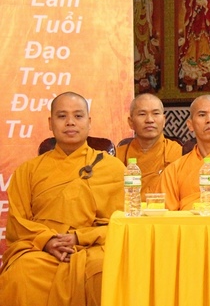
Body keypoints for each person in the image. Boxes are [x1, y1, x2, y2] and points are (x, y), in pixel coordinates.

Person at [0, 92, 124, 306]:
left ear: (89, 122)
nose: (70, 122)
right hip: (42, 250)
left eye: (78, 116)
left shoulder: (113, 168)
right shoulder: (28, 170)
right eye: (62, 116)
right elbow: (18, 222)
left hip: (93, 248)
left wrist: (80, 237)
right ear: (50, 123)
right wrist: (47, 241)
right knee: (20, 274)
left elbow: (123, 222)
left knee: (103, 272)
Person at [116, 93, 182, 198]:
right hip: (131, 207)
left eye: (156, 113)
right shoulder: (119, 156)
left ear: (164, 120)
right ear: (131, 122)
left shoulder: (178, 152)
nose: (150, 120)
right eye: (142, 114)